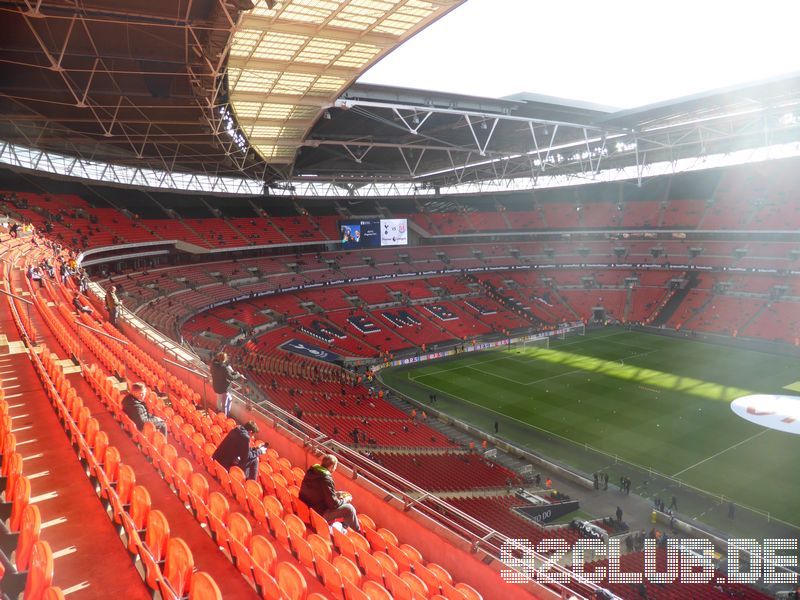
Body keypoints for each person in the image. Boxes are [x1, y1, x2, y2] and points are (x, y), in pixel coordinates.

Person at [299, 454, 361, 533]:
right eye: (335, 467)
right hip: (318, 513)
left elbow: (318, 491)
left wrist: (336, 494)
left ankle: (343, 529)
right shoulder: (326, 479)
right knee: (349, 509)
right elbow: (333, 505)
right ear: (331, 466)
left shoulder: (312, 471)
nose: (335, 469)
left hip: (308, 507)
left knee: (343, 505)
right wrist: (345, 499)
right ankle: (359, 534)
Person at [210, 352, 242, 416]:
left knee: (219, 400)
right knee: (224, 404)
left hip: (216, 387)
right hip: (223, 389)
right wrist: (238, 375)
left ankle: (219, 411)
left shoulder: (213, 365)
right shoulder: (224, 368)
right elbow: (231, 377)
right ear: (224, 359)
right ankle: (224, 417)